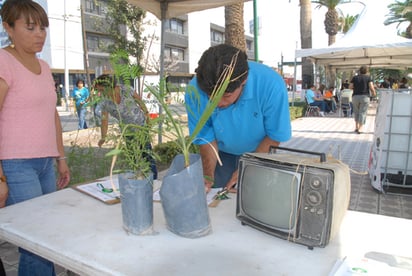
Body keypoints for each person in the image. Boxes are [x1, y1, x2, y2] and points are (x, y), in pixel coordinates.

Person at [0, 0, 71, 275]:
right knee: (35, 238)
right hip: (16, 164)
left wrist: (60, 158)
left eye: (42, 27)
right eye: (30, 27)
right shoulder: (4, 61)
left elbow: (51, 114)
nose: (40, 33)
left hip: (44, 163)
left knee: (46, 233)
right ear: (8, 27)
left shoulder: (44, 66)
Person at [185, 44, 292, 193]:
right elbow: (205, 138)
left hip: (261, 151)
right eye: (211, 98)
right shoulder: (195, 91)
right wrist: (208, 175)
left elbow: (274, 135)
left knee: (257, 200)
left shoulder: (271, 85)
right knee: (219, 197)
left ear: (244, 82)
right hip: (221, 155)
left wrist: (248, 166)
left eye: (226, 96)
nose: (219, 104)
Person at [94, 74, 158, 179]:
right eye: (98, 90)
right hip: (127, 131)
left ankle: (154, 180)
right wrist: (103, 137)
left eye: (101, 89)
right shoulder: (104, 101)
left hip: (141, 126)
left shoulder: (126, 89)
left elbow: (139, 101)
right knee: (132, 158)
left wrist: (147, 116)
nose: (100, 93)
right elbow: (104, 121)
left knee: (147, 154)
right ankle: (137, 179)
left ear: (109, 86)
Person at [349, 65, 377, 134]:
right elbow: (371, 87)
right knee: (362, 112)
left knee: (356, 112)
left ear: (360, 71)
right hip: (365, 97)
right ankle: (360, 128)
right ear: (366, 71)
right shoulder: (368, 78)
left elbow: (350, 87)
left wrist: (356, 88)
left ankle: (356, 127)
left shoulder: (355, 78)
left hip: (355, 96)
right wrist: (374, 94)